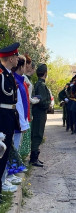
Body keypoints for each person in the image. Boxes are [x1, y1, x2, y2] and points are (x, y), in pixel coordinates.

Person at [0, 42, 20, 199]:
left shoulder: (7, 74)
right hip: (2, 117)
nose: (17, 58)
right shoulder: (1, 74)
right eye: (15, 56)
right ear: (10, 58)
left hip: (8, 117)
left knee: (4, 154)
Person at [29, 63, 51, 167]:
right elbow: (42, 101)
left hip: (39, 113)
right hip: (40, 113)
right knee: (37, 134)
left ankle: (35, 157)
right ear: (45, 73)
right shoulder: (41, 85)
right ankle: (33, 159)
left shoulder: (38, 84)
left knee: (37, 133)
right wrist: (48, 105)